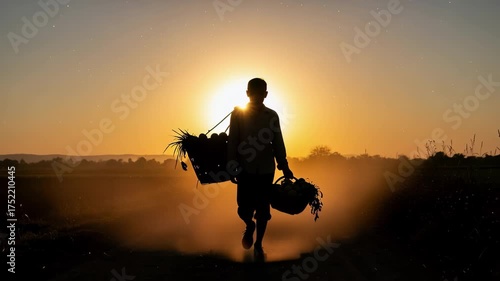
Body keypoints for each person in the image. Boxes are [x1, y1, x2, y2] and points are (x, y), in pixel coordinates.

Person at [227, 78, 294, 261]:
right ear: (247, 94)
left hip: (265, 169)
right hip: (244, 170)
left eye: (260, 93)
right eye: (253, 93)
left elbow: (278, 142)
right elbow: (233, 140)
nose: (257, 96)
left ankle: (258, 244)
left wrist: (284, 165)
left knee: (263, 209)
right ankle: (249, 225)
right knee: (243, 207)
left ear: (265, 94)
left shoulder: (271, 116)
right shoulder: (238, 115)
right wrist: (232, 165)